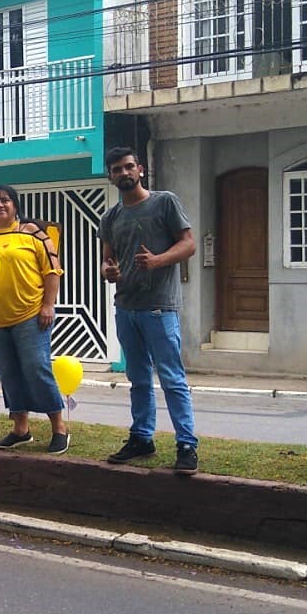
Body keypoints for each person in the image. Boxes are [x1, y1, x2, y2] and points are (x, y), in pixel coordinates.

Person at [100, 146, 199, 473]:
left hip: (159, 307)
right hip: (126, 307)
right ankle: (142, 437)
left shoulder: (164, 202)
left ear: (140, 169)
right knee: (138, 378)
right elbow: (107, 259)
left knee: (172, 378)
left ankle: (186, 444)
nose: (124, 173)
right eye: (117, 169)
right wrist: (108, 271)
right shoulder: (110, 217)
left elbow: (189, 244)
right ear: (111, 176)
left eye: (129, 167)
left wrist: (158, 261)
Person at [0, 185, 69, 453]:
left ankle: (59, 427)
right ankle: (20, 429)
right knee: (9, 374)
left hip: (30, 315)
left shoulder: (33, 233)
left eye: (5, 200)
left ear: (15, 205)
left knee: (37, 368)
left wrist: (48, 305)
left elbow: (52, 271)